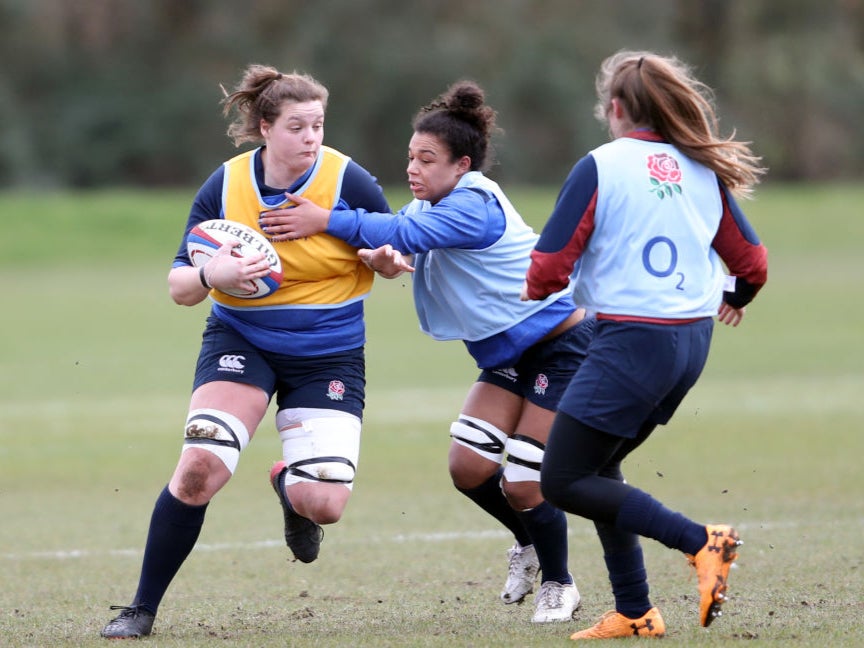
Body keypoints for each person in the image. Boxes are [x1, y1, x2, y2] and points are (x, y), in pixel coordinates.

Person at [259, 80, 593, 624]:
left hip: (561, 347)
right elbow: (397, 236)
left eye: (427, 159)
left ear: (462, 165)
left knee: (524, 479)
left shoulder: (476, 204)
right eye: (411, 156)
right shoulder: (433, 202)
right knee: (468, 467)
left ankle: (559, 583)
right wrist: (382, 257)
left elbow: (399, 229)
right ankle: (529, 544)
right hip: (508, 356)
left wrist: (324, 219)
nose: (413, 168)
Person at [100, 65, 390, 639]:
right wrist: (216, 270)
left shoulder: (347, 180)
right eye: (298, 126)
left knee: (324, 504)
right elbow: (180, 288)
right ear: (265, 127)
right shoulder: (227, 185)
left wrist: (385, 258)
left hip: (329, 353)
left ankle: (289, 485)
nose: (311, 137)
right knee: (199, 469)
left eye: (319, 126)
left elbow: (391, 242)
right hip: (242, 340)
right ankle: (140, 609)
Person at [519, 50, 769, 640]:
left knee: (561, 480)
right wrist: (739, 297)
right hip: (690, 342)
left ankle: (700, 542)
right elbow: (751, 263)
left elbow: (550, 265)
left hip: (633, 341)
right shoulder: (701, 168)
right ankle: (635, 611)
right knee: (601, 468)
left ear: (615, 108)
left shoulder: (601, 165)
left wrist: (539, 287)